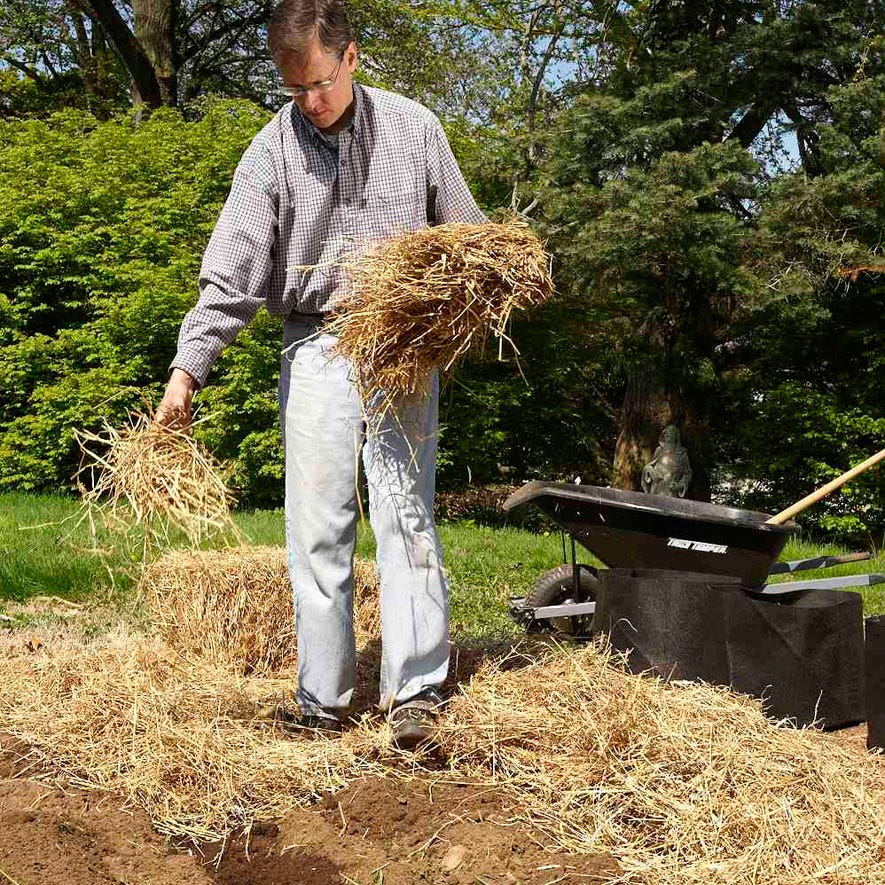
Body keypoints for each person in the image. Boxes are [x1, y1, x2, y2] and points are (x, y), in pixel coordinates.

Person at [155, 0, 485, 748]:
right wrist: (187, 371)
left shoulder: (415, 129)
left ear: (352, 58)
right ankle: (321, 697)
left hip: (401, 347)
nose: (309, 101)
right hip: (315, 344)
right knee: (318, 526)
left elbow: (467, 237)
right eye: (294, 88)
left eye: (320, 84)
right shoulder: (270, 152)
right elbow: (231, 274)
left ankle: (416, 695)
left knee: (405, 515)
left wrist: (462, 306)